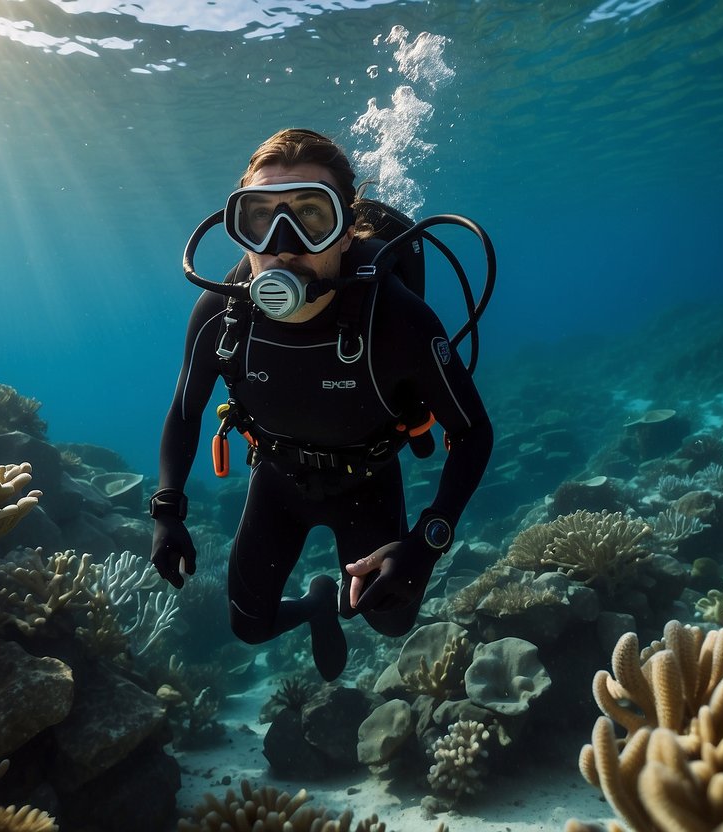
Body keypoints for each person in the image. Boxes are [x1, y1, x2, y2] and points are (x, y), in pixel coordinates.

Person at [149, 128, 493, 681]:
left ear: (346, 231)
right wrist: (166, 511)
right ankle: (317, 606)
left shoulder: (397, 318)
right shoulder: (220, 315)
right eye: (261, 218)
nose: (283, 244)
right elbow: (185, 413)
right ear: (241, 233)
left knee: (389, 620)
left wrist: (427, 543)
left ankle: (342, 600)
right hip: (277, 481)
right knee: (249, 626)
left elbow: (473, 432)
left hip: (368, 480)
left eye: (311, 217)